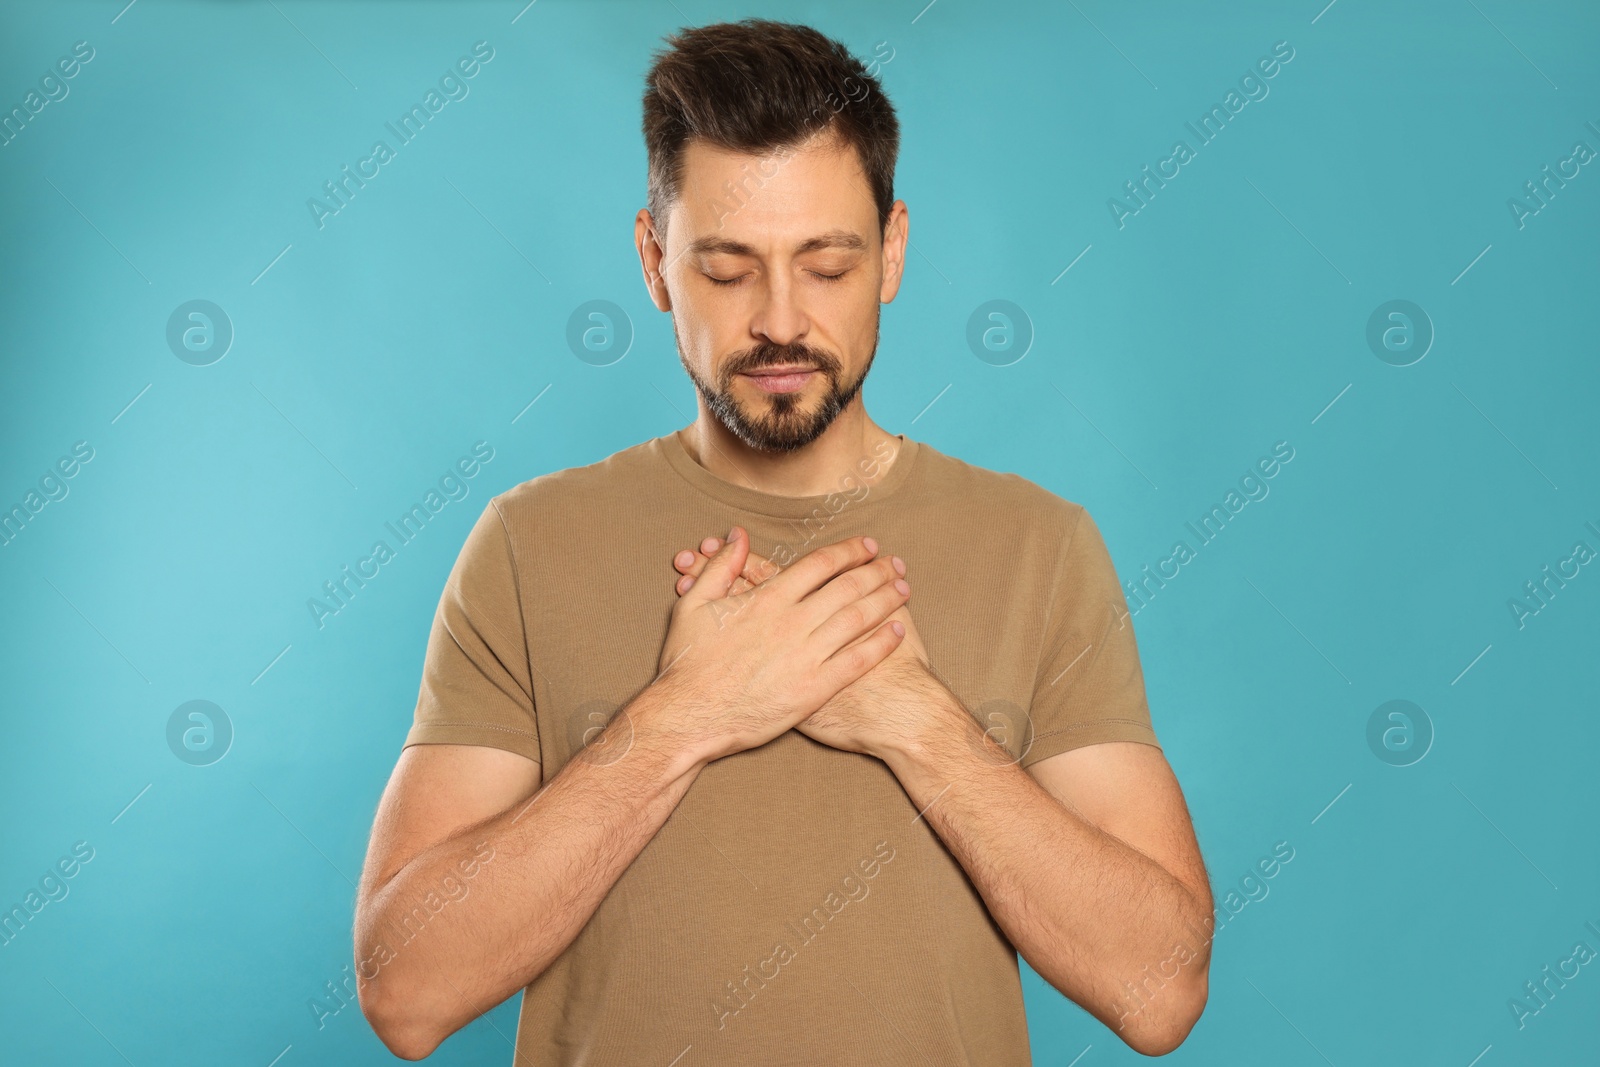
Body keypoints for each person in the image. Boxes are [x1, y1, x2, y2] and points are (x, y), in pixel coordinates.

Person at [354, 18, 1211, 1064]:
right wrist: (687, 715)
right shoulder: (529, 542)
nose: (777, 320)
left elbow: (1160, 990)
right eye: (725, 269)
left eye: (826, 264)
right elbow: (406, 990)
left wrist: (918, 725)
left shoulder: (1039, 545)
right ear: (653, 261)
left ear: (891, 251)